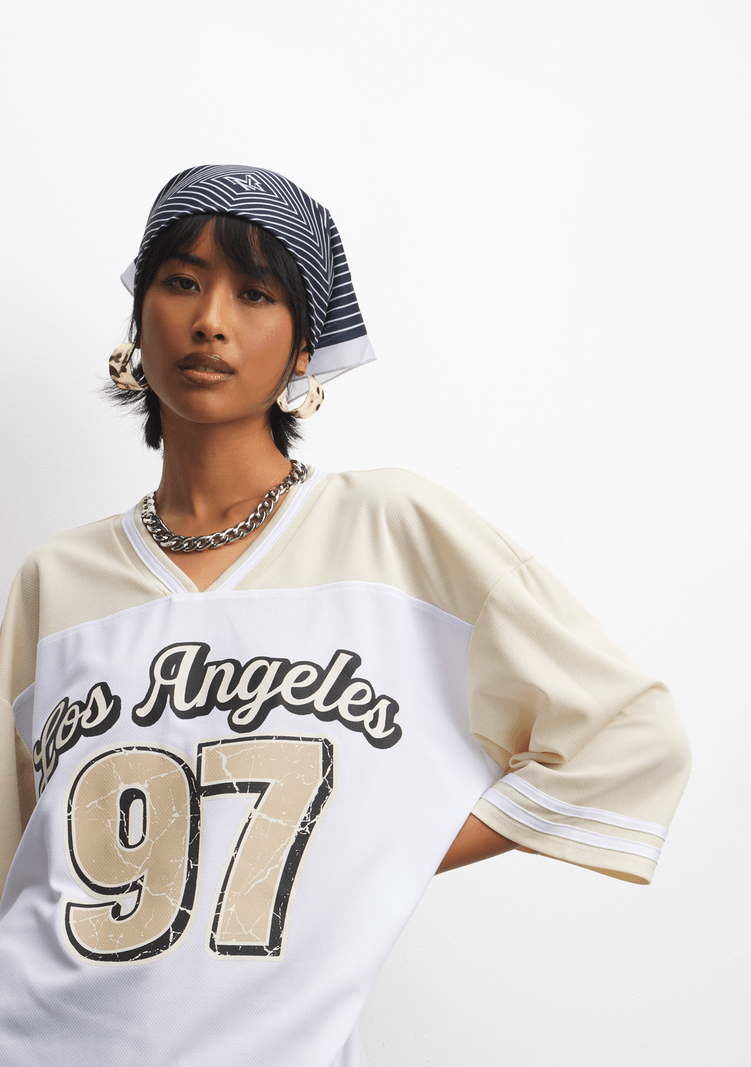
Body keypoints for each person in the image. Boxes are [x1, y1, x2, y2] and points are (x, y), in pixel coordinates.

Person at [0, 165, 691, 1067]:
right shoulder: (55, 579)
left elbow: (628, 736)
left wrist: (375, 848)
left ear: (304, 349)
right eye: (180, 281)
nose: (210, 320)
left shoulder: (394, 531)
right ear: (139, 317)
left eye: (255, 293)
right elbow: (23, 851)